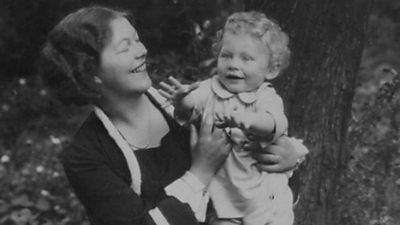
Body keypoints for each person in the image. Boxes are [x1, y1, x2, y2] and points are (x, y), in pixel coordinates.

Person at [41, 6, 304, 225]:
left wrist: (286, 157)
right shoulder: (86, 156)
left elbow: (257, 174)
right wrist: (200, 172)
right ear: (92, 74)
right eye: (124, 47)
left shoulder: (185, 102)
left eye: (137, 39)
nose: (141, 50)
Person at [159, 11, 308, 225]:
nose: (233, 64)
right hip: (224, 200)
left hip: (262, 195)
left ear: (271, 70)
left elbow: (275, 123)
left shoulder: (265, 95)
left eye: (246, 58)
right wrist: (181, 99)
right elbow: (188, 109)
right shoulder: (210, 88)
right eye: (226, 55)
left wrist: (249, 119)